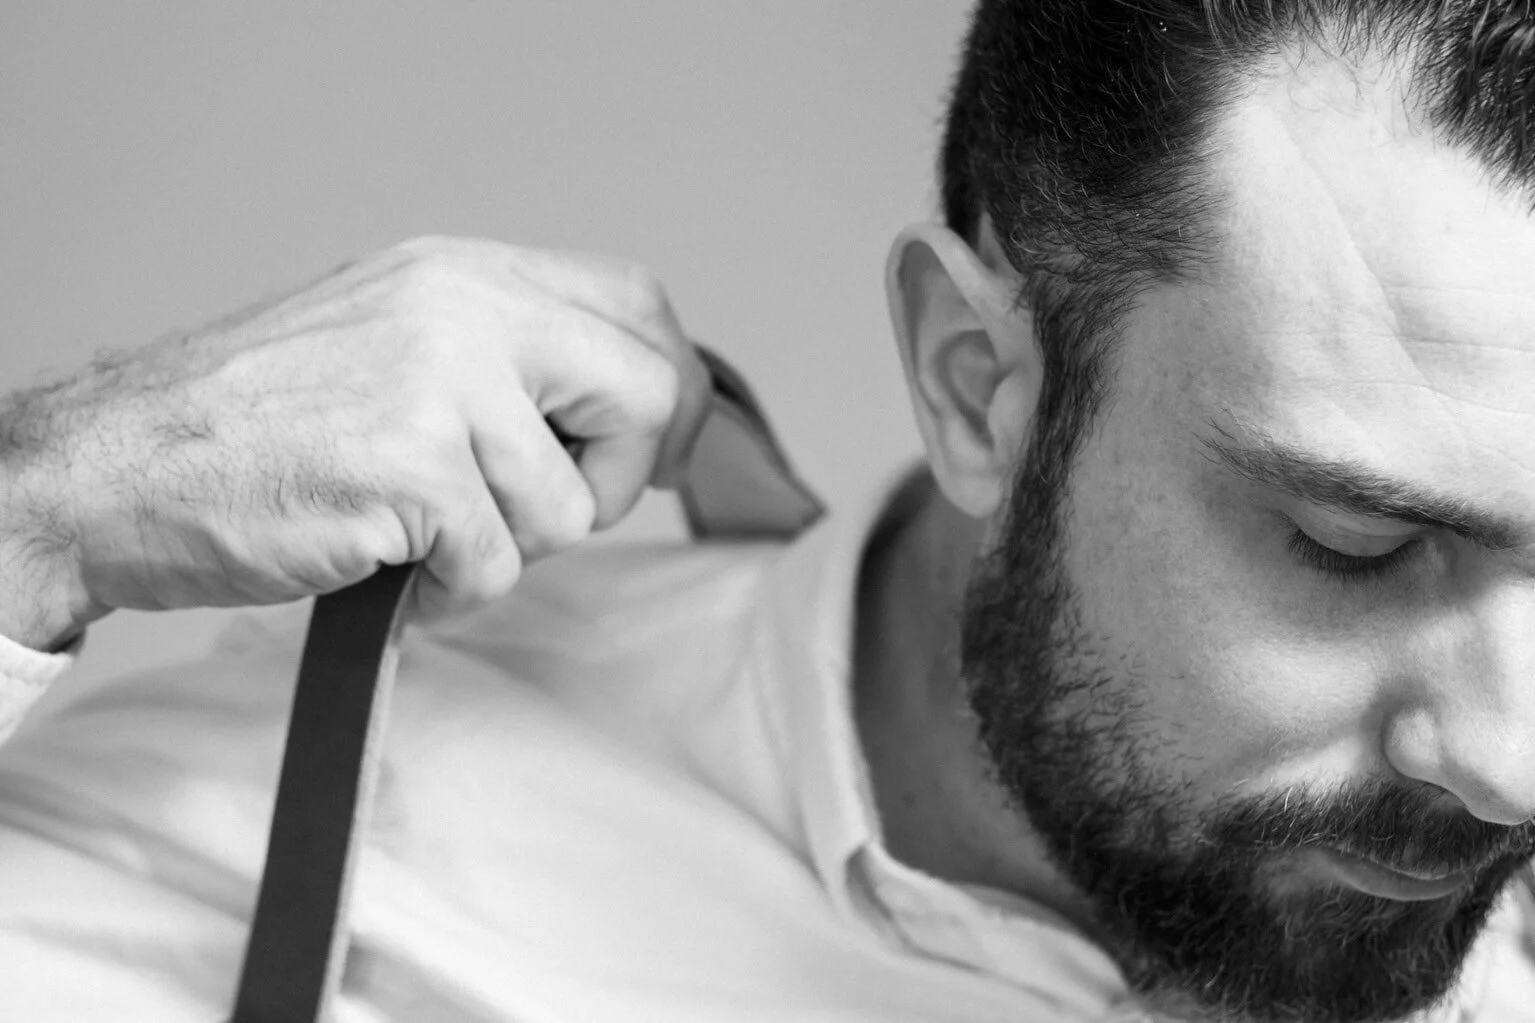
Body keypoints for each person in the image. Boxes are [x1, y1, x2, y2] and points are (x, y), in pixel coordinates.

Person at [3, 0, 1535, 1020]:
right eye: (1354, 543)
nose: (1505, 764)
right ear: (974, 384)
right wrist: (43, 506)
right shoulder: (341, 829)